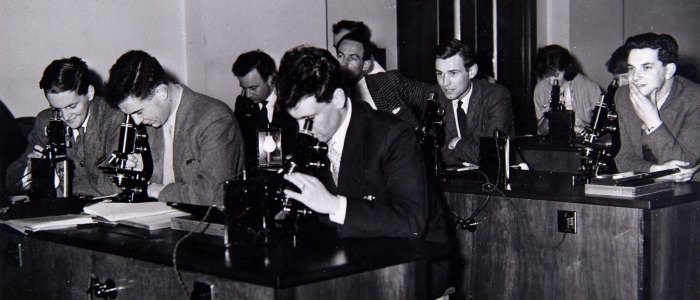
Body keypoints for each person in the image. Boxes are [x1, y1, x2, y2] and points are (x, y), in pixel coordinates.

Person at [104, 50, 245, 206]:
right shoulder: (153, 122)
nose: (137, 121)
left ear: (161, 93)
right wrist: (142, 173)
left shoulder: (214, 118)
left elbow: (213, 194)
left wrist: (156, 190)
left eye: (139, 112)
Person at [5, 57, 123, 197]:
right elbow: (12, 179)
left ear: (90, 92)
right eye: (56, 109)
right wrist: (29, 172)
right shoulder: (45, 121)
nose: (65, 117)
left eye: (72, 106)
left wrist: (53, 182)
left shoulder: (114, 117)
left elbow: (113, 185)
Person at [615, 33, 700, 182]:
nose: (635, 77)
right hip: (648, 186)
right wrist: (656, 172)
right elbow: (623, 159)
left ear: (669, 71)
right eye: (631, 68)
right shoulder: (623, 96)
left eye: (646, 67)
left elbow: (684, 165)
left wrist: (653, 122)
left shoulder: (694, 98)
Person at [434, 39, 513, 165]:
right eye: (439, 74)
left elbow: (491, 154)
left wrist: (457, 143)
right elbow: (433, 154)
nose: (445, 83)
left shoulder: (496, 96)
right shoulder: (435, 96)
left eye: (453, 73)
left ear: (472, 72)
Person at [336, 29, 435, 128]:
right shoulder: (329, 95)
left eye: (352, 58)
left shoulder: (389, 82)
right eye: (340, 56)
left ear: (366, 65)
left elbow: (435, 94)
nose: (343, 64)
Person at [232, 50, 297, 171]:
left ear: (270, 79)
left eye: (253, 88)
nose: (248, 95)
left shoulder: (292, 101)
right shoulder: (242, 103)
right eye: (243, 88)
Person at [534, 45, 602, 135]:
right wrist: (548, 117)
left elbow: (602, 130)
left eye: (556, 75)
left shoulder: (589, 87)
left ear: (566, 68)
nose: (551, 82)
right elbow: (542, 131)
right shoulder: (540, 89)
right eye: (546, 76)